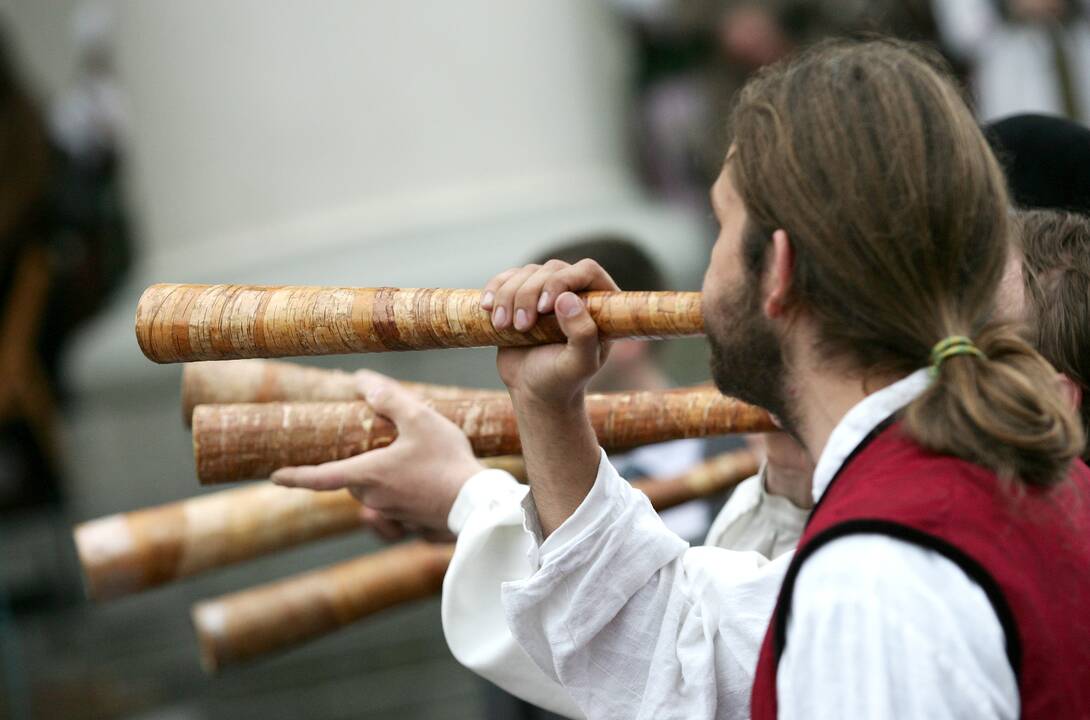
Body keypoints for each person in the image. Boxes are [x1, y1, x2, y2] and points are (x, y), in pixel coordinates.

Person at [275, 39, 1090, 719]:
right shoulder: (999, 477)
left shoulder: (877, 572)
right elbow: (685, 652)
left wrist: (470, 496)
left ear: (777, 272)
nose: (702, 277)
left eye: (720, 225)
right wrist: (547, 406)